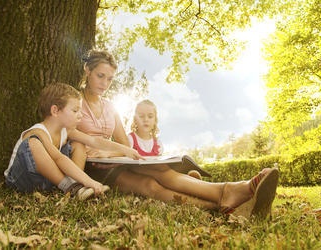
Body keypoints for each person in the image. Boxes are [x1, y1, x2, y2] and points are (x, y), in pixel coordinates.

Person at [72, 49, 279, 218]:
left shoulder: (110, 107)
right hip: (92, 170)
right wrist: (107, 153)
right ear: (87, 70)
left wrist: (115, 153)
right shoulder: (74, 102)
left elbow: (125, 146)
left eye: (109, 79)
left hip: (114, 161)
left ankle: (229, 193)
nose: (105, 84)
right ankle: (220, 203)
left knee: (163, 171)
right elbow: (70, 138)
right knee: (149, 186)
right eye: (100, 76)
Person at [4, 83, 142, 200]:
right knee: (33, 143)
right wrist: (89, 181)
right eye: (75, 110)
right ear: (55, 111)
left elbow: (94, 141)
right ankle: (73, 187)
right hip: (21, 180)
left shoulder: (67, 131)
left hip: (47, 181)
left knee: (78, 144)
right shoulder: (38, 132)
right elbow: (59, 159)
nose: (80, 115)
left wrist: (126, 150)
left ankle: (75, 184)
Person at [128, 99, 202, 179]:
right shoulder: (130, 139)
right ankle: (189, 181)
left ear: (155, 120)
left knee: (167, 172)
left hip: (156, 174)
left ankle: (191, 181)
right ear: (135, 119)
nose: (146, 119)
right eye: (141, 116)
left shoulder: (158, 143)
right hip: (139, 175)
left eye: (150, 116)